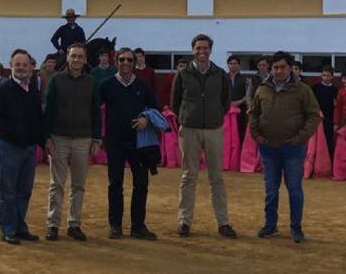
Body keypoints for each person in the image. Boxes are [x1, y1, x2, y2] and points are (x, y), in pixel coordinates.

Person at [248, 51, 320, 244]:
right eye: (275, 67)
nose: (279, 70)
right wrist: (257, 136)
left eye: (283, 67)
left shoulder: (303, 90)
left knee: (294, 189)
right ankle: (270, 225)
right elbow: (253, 114)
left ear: (290, 68)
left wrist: (299, 138)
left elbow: (313, 116)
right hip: (268, 148)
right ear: (271, 68)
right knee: (271, 190)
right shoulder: (262, 89)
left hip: (293, 149)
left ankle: (296, 227)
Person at [170, 33, 236, 239]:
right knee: (188, 176)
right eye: (198, 48)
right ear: (192, 50)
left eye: (205, 48)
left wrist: (214, 116)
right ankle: (184, 221)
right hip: (189, 129)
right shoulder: (182, 74)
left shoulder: (220, 74)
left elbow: (225, 102)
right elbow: (175, 102)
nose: (201, 51)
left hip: (214, 129)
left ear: (210, 50)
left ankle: (223, 222)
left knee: (216, 177)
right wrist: (187, 117)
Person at [43, 43, 101, 242]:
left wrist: (96, 138)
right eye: (73, 56)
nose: (76, 60)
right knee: (56, 183)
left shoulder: (92, 82)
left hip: (83, 139)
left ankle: (74, 224)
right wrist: (47, 137)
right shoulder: (56, 80)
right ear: (67, 58)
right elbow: (48, 110)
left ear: (85, 59)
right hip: (59, 137)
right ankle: (53, 224)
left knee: (78, 184)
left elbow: (96, 112)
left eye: (80, 56)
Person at [99, 47, 159, 240]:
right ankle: (115, 225)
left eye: (129, 60)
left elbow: (155, 108)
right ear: (116, 61)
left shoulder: (143, 85)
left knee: (141, 184)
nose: (126, 63)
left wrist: (146, 120)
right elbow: (94, 109)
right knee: (115, 183)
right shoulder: (106, 85)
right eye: (122, 59)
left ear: (135, 63)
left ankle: (138, 226)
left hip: (138, 142)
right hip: (115, 141)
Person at [0, 49, 45, 245]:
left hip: (29, 149)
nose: (21, 67)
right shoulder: (2, 90)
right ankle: (9, 229)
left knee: (24, 190)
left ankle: (20, 226)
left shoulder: (33, 92)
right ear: (10, 66)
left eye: (24, 64)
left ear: (30, 67)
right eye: (17, 64)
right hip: (9, 146)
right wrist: (16, 131)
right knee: (9, 190)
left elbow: (38, 119)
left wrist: (42, 141)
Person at [312, 66, 339, 155]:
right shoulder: (315, 88)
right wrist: (318, 111)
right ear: (321, 76)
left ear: (332, 76)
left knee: (329, 141)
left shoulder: (335, 90)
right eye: (324, 75)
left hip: (330, 118)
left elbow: (337, 107)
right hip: (317, 117)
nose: (326, 78)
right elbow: (312, 103)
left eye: (328, 75)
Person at [225, 56, 251, 142]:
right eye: (231, 64)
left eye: (235, 63)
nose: (233, 65)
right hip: (227, 111)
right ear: (228, 65)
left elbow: (248, 94)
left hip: (241, 110)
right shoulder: (223, 78)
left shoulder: (245, 79)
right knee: (228, 134)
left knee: (241, 133)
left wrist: (240, 101)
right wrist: (229, 103)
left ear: (239, 65)